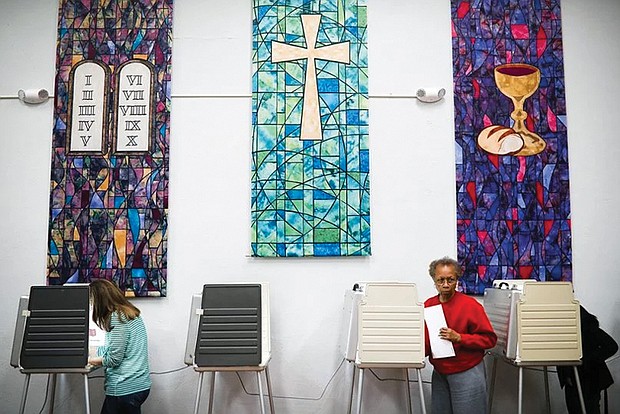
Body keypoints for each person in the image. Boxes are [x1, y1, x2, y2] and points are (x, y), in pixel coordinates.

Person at [424, 256, 497, 414]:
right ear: (434, 280)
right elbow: (425, 341)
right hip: (440, 372)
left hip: (467, 371)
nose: (445, 285)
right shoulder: (428, 305)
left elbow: (489, 339)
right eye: (440, 280)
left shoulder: (470, 305)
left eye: (450, 280)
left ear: (457, 279)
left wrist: (460, 338)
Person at [88, 279, 151, 414]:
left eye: (92, 302)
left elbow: (114, 359)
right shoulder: (131, 313)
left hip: (124, 388)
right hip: (139, 385)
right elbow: (116, 348)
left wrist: (88, 360)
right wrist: (93, 351)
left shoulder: (117, 317)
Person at [557, 306, 618, 414]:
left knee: (588, 409)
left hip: (589, 379)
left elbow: (612, 346)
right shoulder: (577, 329)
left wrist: (587, 361)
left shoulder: (589, 329)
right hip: (575, 380)